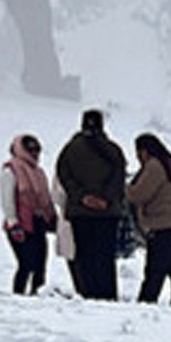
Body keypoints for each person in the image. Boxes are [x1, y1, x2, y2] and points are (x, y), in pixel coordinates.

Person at [55, 109, 129, 300]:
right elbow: (119, 178)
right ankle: (108, 294)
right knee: (105, 257)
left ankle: (89, 293)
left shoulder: (70, 150)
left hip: (81, 212)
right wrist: (106, 199)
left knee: (85, 255)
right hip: (108, 213)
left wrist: (82, 197)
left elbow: (64, 176)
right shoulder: (113, 149)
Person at [128, 133, 171, 306]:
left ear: (145, 151)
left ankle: (146, 303)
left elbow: (139, 194)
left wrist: (122, 188)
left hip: (162, 225)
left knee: (154, 271)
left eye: (138, 154)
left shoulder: (154, 167)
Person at [0, 134, 60, 295]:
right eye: (30, 149)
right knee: (26, 263)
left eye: (36, 150)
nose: (34, 153)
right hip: (21, 224)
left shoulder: (38, 172)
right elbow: (7, 198)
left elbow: (45, 198)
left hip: (38, 222)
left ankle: (37, 293)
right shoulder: (10, 170)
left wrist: (52, 218)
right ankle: (19, 294)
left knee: (41, 262)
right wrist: (13, 223)